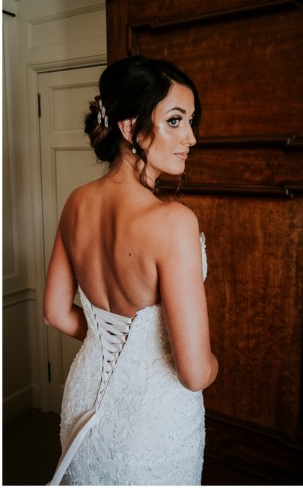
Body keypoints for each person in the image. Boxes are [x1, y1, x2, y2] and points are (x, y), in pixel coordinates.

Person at [43, 56, 219, 484]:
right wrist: (214, 363)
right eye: (175, 121)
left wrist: (115, 344)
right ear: (129, 128)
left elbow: (55, 311)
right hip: (147, 423)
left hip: (83, 399)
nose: (191, 137)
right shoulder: (173, 222)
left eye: (190, 121)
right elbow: (194, 373)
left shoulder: (76, 202)